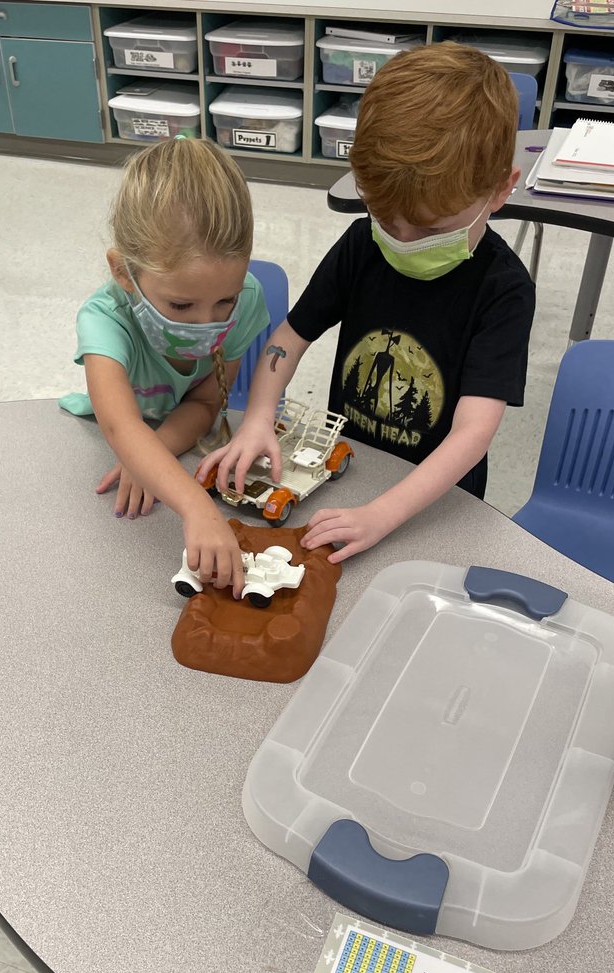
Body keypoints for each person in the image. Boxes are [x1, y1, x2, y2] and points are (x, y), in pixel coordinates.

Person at [198, 43, 536, 564]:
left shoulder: (503, 290)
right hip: (350, 473)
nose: (400, 238)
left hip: (434, 502)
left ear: (499, 191)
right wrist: (258, 416)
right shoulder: (362, 245)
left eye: (429, 228)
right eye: (384, 216)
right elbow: (289, 339)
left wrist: (384, 513)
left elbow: (473, 434)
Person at [63, 137, 269, 592]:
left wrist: (154, 456)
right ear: (123, 273)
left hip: (171, 448)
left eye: (225, 302)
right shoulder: (103, 321)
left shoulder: (249, 297)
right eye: (180, 304)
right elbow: (120, 429)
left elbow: (207, 401)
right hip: (99, 445)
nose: (207, 322)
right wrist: (197, 507)